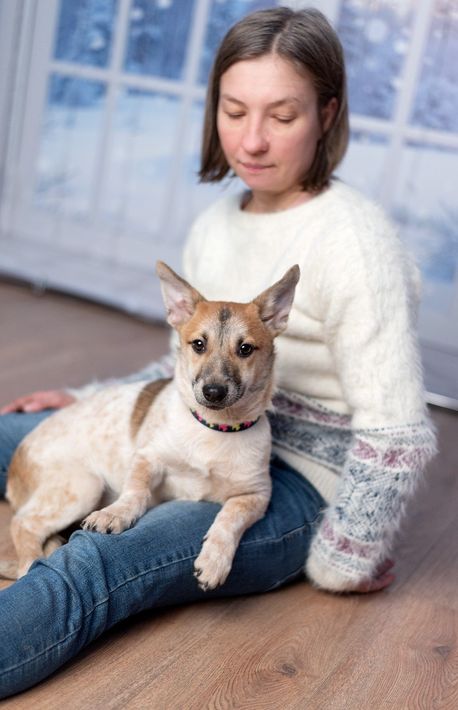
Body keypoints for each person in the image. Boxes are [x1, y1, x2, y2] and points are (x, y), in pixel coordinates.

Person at [0, 7, 436, 698]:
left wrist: (345, 557)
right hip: (193, 432)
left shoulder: (357, 242)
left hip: (289, 485)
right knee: (11, 433)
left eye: (281, 115)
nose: (252, 139)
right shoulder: (215, 223)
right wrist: (85, 399)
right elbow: (189, 366)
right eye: (234, 111)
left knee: (100, 556)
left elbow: (397, 433)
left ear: (326, 114)